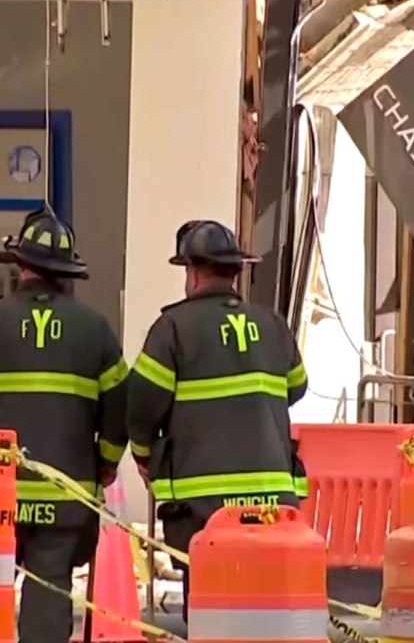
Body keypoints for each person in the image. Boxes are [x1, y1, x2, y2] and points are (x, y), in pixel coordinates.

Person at [0, 207, 129, 643]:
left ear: (21, 265)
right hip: (63, 494)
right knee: (49, 588)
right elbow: (120, 410)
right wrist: (105, 461)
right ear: (66, 273)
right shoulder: (95, 330)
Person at [125, 219, 310, 621]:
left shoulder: (172, 329)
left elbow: (140, 405)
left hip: (202, 509)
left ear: (191, 272)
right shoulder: (272, 326)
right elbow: (296, 388)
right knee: (266, 613)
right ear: (235, 271)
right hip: (273, 503)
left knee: (212, 610)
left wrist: (144, 456)